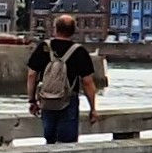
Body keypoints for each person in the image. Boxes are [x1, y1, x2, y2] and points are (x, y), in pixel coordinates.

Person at [23, 13, 107, 143]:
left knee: (50, 140)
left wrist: (32, 101)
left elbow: (31, 75)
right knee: (67, 143)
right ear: (73, 31)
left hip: (47, 100)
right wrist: (93, 109)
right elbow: (87, 82)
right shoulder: (79, 51)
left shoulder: (44, 47)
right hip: (69, 101)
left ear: (55, 28)